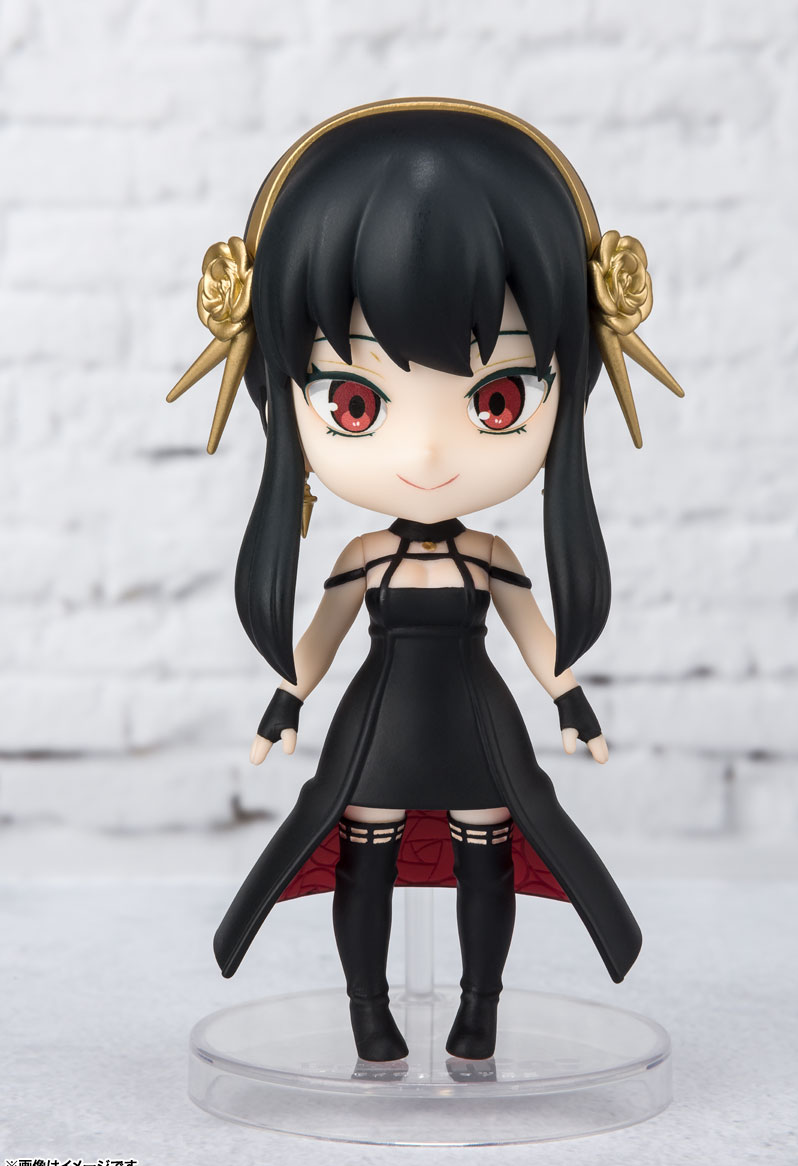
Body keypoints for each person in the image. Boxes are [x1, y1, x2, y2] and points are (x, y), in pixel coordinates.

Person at [167, 99, 682, 1063]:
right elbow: (318, 641)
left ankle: (479, 1007)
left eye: (497, 398)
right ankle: (369, 1011)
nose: (430, 454)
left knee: (490, 844)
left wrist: (571, 702)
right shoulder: (365, 560)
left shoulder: (489, 559)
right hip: (379, 727)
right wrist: (283, 703)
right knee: (363, 845)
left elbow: (535, 636)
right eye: (357, 403)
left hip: (479, 724)